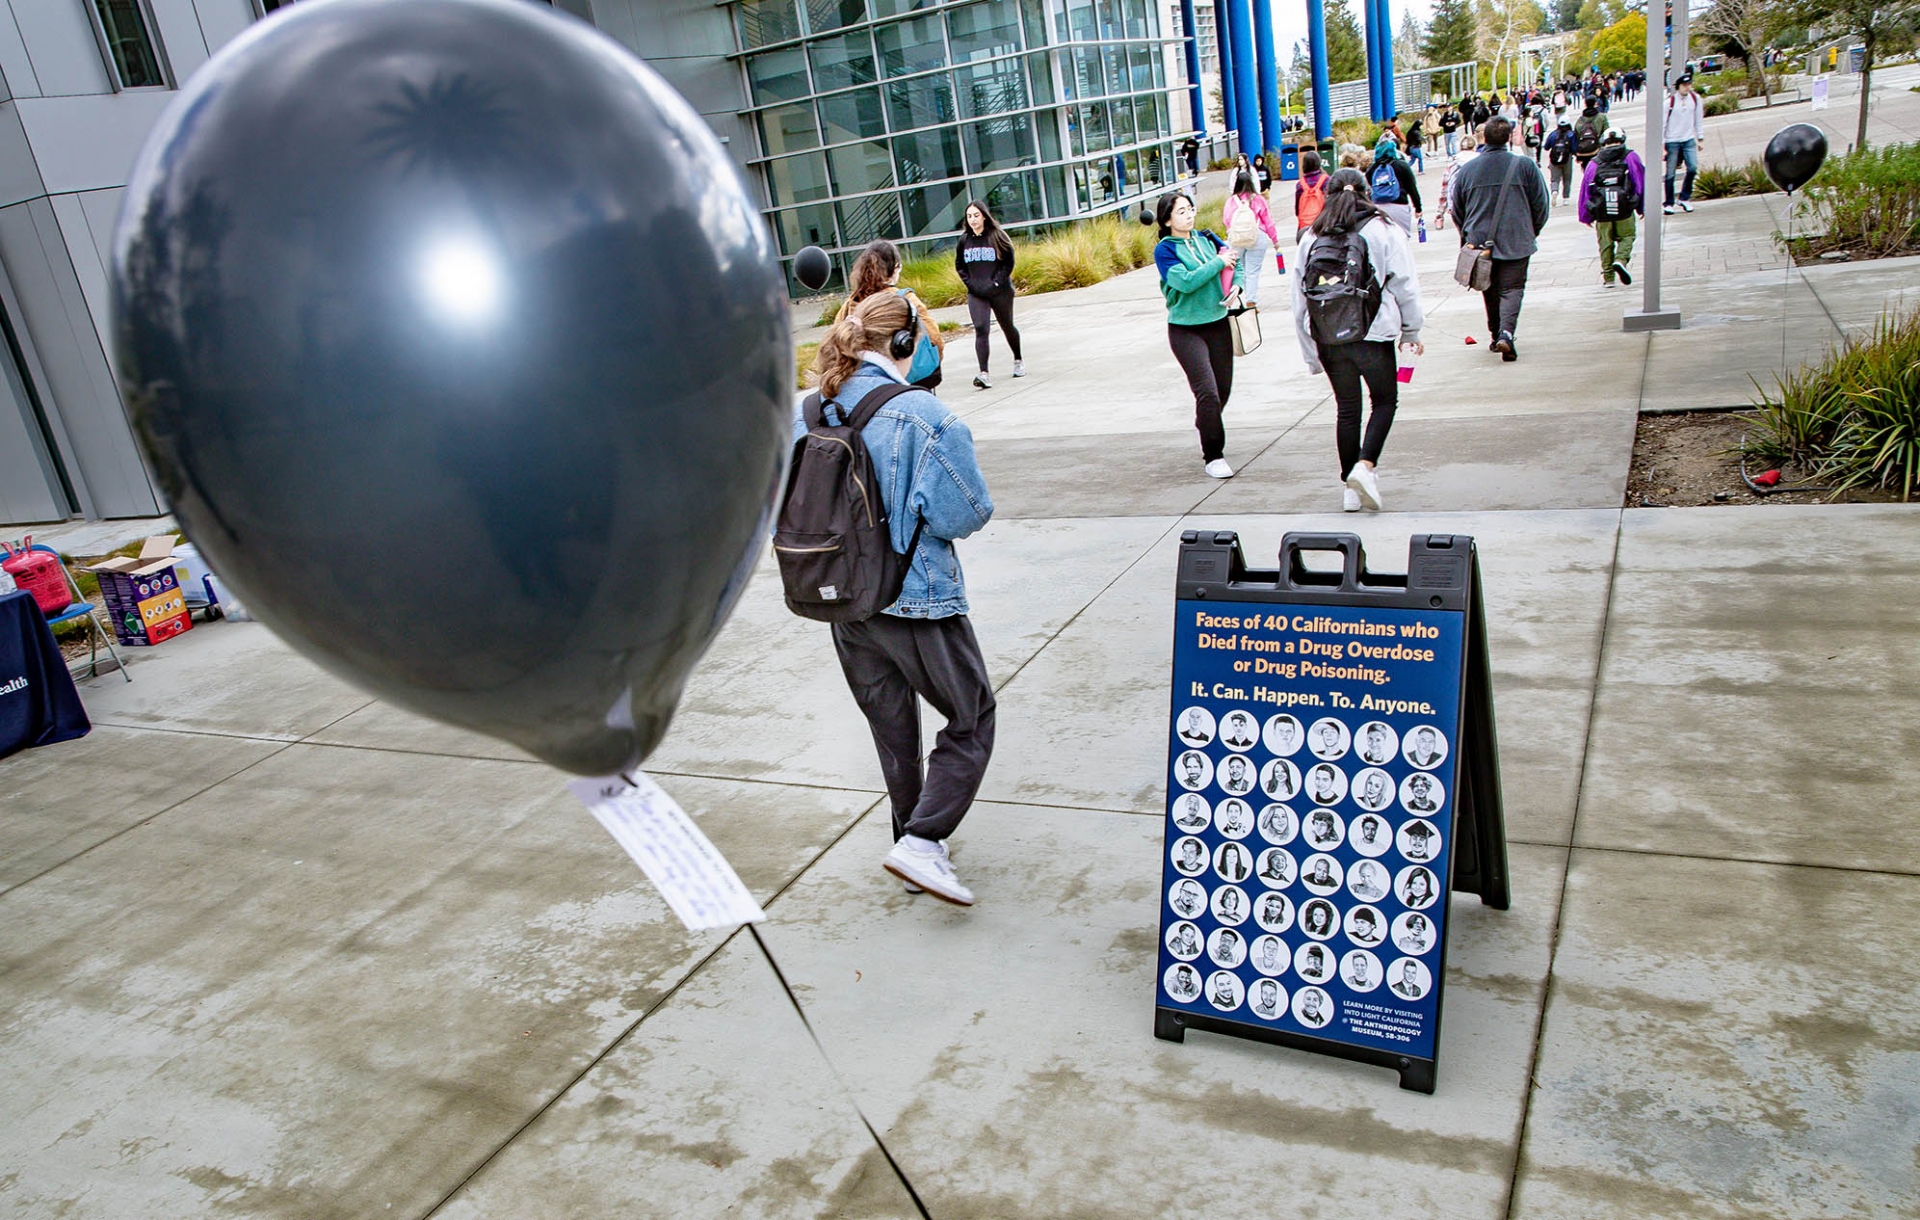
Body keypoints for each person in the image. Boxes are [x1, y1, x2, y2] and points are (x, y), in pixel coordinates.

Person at [804, 294, 996, 906]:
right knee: (971, 718)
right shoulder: (924, 415)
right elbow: (966, 512)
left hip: (844, 604)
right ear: (905, 344)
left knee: (894, 737)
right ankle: (922, 843)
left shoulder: (809, 410)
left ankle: (909, 845)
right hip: (918, 602)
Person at [1294, 168, 1425, 512]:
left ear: (1328, 194)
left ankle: (1349, 491)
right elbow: (1405, 284)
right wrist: (1411, 331)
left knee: (1347, 409)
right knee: (1384, 401)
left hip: (1328, 337)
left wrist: (1311, 353)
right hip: (1372, 332)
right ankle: (1365, 466)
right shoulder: (1382, 229)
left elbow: (1298, 300)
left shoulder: (1311, 236)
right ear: (1367, 193)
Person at [1153, 190, 1240, 479]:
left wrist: (1236, 286)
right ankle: (1214, 455)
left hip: (1218, 322)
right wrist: (1219, 263)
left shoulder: (1207, 238)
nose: (1189, 215)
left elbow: (1233, 261)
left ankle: (1206, 420)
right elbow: (1186, 282)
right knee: (1208, 392)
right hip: (1185, 330)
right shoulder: (1165, 250)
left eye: (1190, 209)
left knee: (1223, 391)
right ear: (1166, 220)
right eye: (1181, 212)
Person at [1447, 116, 1549, 363]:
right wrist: (1530, 230)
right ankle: (1506, 332)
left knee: (1488, 289)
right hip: (1517, 238)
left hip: (1480, 240)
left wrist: (1467, 234)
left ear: (1484, 138)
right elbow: (1541, 205)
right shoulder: (1524, 166)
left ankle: (1496, 334)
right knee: (1513, 288)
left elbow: (1456, 207)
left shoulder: (1468, 171)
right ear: (1508, 138)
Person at [832, 240, 945, 390]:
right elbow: (934, 338)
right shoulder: (906, 299)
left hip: (864, 385)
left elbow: (835, 343)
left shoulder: (850, 305)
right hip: (910, 381)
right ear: (895, 268)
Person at [953, 199, 1023, 388]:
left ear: (984, 216)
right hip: (976, 293)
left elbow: (1009, 261)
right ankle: (983, 373)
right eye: (969, 217)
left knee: (1007, 325)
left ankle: (1018, 359)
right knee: (981, 328)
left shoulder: (997, 236)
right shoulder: (964, 240)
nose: (973, 220)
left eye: (976, 215)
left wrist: (997, 282)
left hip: (1000, 291)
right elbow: (959, 265)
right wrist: (971, 284)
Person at [1579, 126, 1646, 288]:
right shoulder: (1631, 157)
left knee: (1605, 243)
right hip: (1624, 208)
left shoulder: (1594, 162)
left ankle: (1608, 278)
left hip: (1602, 210)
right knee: (1627, 236)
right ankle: (1620, 259)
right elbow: (1640, 182)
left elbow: (1586, 189)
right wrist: (1642, 207)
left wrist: (1585, 215)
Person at [1223, 171, 1281, 306]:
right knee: (1253, 271)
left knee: (1240, 270)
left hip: (1237, 239)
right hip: (1256, 236)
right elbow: (1268, 221)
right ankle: (1251, 300)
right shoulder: (1258, 199)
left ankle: (1240, 300)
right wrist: (1275, 240)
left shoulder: (1231, 201)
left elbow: (1226, 220)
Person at [1662, 75, 1705, 214]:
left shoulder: (1695, 99)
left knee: (1692, 168)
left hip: (1688, 139)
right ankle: (1668, 202)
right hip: (1672, 140)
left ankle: (1684, 197)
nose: (1687, 87)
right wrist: (1662, 146)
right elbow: (1662, 124)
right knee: (1670, 174)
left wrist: (1700, 137)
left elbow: (1698, 119)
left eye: (1689, 84)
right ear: (1678, 86)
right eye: (1684, 85)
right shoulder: (1669, 102)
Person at [1368, 138, 1423, 238]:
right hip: (1399, 207)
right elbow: (1412, 189)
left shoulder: (1372, 169)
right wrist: (1418, 208)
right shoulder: (1402, 166)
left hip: (1378, 208)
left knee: (1383, 240)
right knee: (1402, 240)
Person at [1293, 149, 1331, 240]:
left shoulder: (1300, 185)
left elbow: (1297, 209)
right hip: (1323, 223)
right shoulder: (1326, 180)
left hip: (1305, 226)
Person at [1541, 117, 1579, 205]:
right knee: (1567, 179)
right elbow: (1574, 148)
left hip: (1554, 159)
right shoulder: (1571, 134)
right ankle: (1566, 198)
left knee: (1554, 179)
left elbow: (1546, 147)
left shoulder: (1553, 134)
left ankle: (1554, 191)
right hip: (1567, 159)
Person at [1572, 95, 1607, 173]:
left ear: (1585, 104)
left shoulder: (1580, 120)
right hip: (1597, 151)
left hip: (1584, 153)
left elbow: (1576, 136)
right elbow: (1606, 133)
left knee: (1587, 173)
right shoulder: (1601, 117)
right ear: (1596, 104)